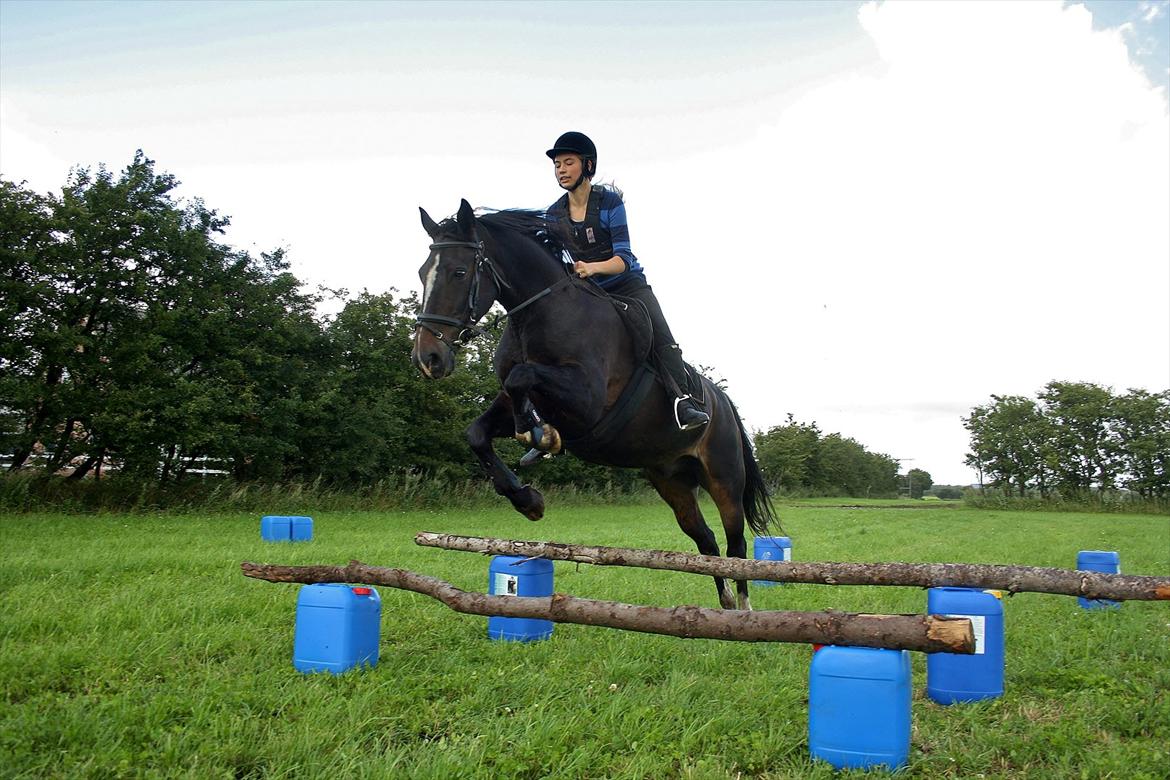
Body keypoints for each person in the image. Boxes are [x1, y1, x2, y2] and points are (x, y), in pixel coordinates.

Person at [541, 130, 710, 434]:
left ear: (587, 165)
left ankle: (683, 401)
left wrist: (591, 268)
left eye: (568, 163)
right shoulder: (553, 214)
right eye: (557, 165)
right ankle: (547, 425)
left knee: (662, 337)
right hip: (588, 293)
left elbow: (624, 259)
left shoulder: (609, 202)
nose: (561, 170)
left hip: (627, 285)